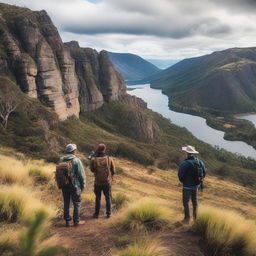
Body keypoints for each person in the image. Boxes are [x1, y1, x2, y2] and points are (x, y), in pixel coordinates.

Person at [60, 144, 86, 227]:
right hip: (75, 185)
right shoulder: (76, 160)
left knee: (66, 202)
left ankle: (67, 221)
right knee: (77, 203)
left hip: (64, 184)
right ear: (74, 151)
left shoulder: (61, 159)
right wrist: (83, 184)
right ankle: (76, 221)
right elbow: (81, 174)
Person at [178, 145, 206, 223]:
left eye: (185, 152)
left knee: (185, 202)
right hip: (196, 186)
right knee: (195, 201)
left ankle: (187, 219)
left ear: (187, 153)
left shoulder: (185, 163)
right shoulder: (200, 162)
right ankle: (195, 218)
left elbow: (180, 175)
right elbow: (204, 173)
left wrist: (184, 182)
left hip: (187, 186)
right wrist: (198, 182)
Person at [90, 143, 115, 218]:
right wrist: (111, 176)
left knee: (98, 198)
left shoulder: (94, 160)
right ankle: (109, 213)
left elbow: (92, 170)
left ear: (98, 149)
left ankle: (96, 214)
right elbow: (113, 170)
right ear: (104, 149)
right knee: (108, 197)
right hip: (106, 182)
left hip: (97, 182)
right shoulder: (109, 159)